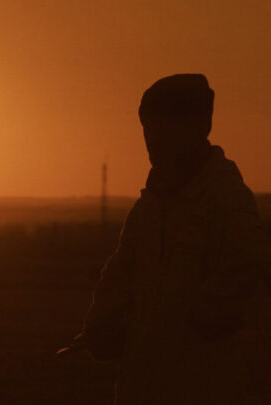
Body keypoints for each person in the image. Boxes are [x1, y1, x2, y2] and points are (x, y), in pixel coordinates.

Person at [75, 74, 271, 404]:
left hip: (208, 385)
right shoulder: (149, 208)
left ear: (196, 129)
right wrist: (99, 328)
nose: (152, 141)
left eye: (162, 129)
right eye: (148, 131)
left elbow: (249, 257)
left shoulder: (226, 199)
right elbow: (119, 275)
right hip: (145, 385)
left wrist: (208, 314)